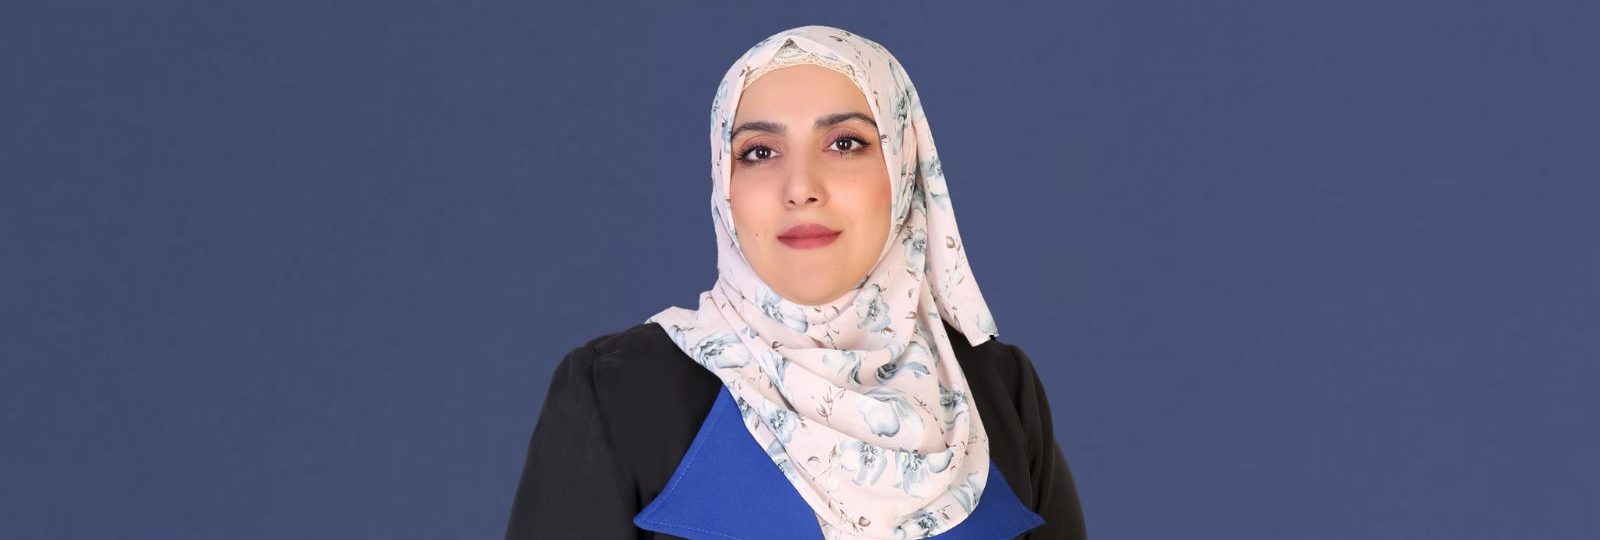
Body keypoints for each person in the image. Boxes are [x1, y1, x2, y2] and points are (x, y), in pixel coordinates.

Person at [505, 25, 1085, 539]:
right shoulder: (620, 391)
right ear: (725, 186)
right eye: (759, 152)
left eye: (845, 144)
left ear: (904, 168)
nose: (801, 187)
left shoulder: (998, 389)